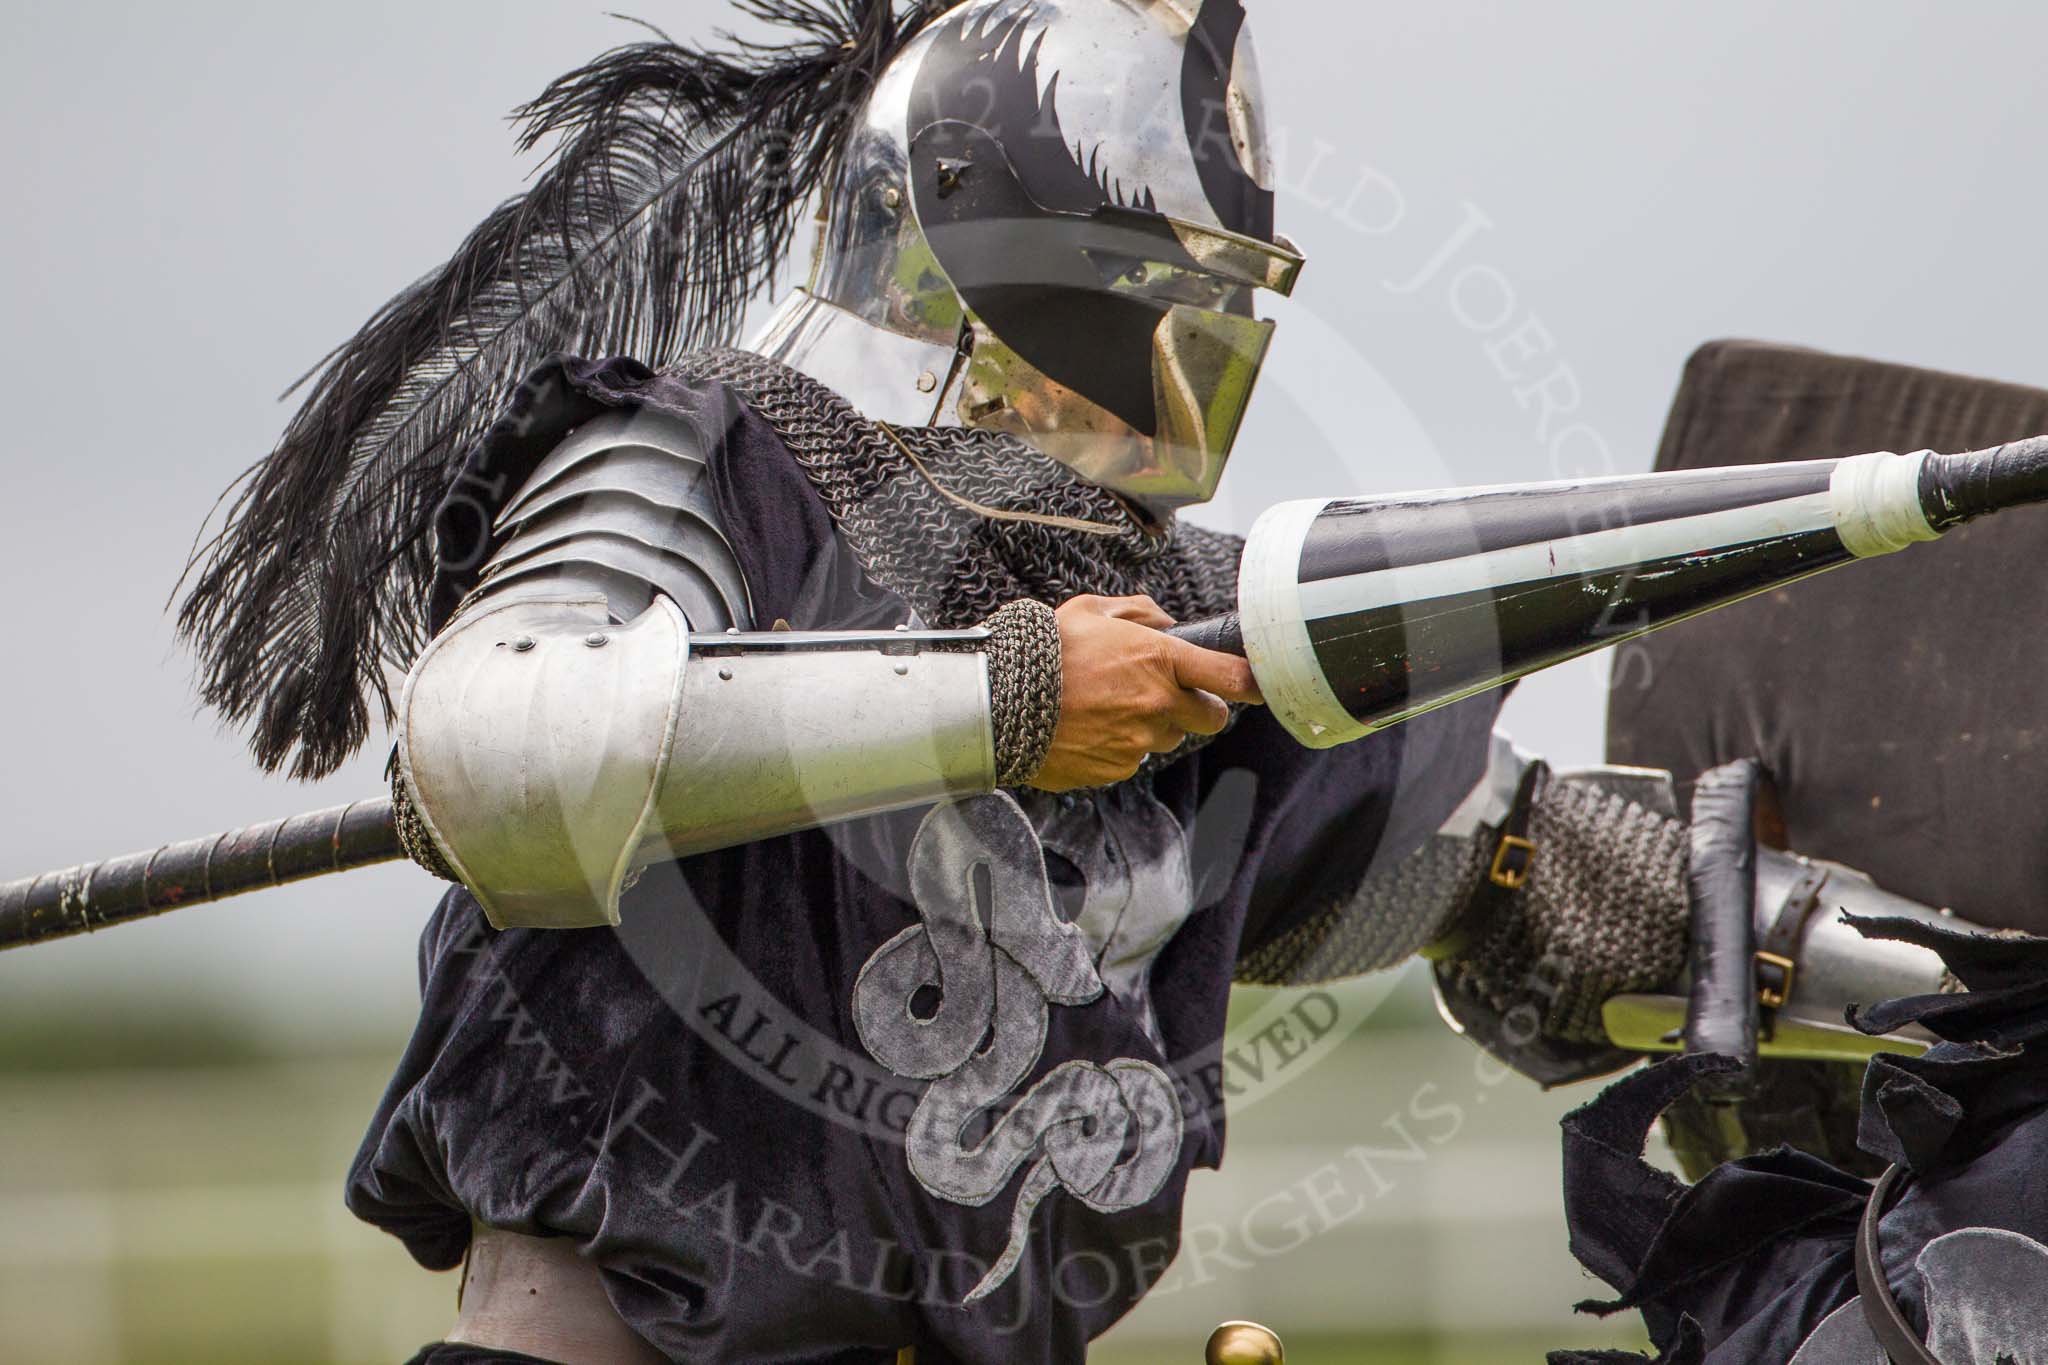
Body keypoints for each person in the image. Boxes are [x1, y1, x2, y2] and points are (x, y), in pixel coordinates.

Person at [171, 2, 1880, 1359]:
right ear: (985, 267)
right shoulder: (707, 456)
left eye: (1203, 319)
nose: (1168, 370)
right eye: (1138, 303)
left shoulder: (1151, 607)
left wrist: (1892, 981)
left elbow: (1498, 864)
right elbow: (492, 756)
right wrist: (1002, 701)